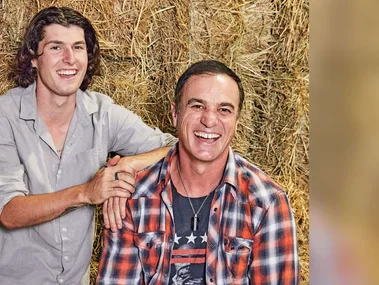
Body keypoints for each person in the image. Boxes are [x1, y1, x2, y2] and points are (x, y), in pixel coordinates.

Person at [0, 6, 176, 285]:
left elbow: (177, 148)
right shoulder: (5, 116)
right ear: (33, 58)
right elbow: (8, 212)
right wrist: (86, 192)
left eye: (78, 47)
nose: (70, 59)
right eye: (56, 47)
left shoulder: (102, 112)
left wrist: (127, 166)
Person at [97, 60, 299, 284]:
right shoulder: (133, 197)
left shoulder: (266, 201)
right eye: (197, 106)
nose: (209, 120)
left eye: (224, 109)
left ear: (236, 122)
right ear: (175, 113)